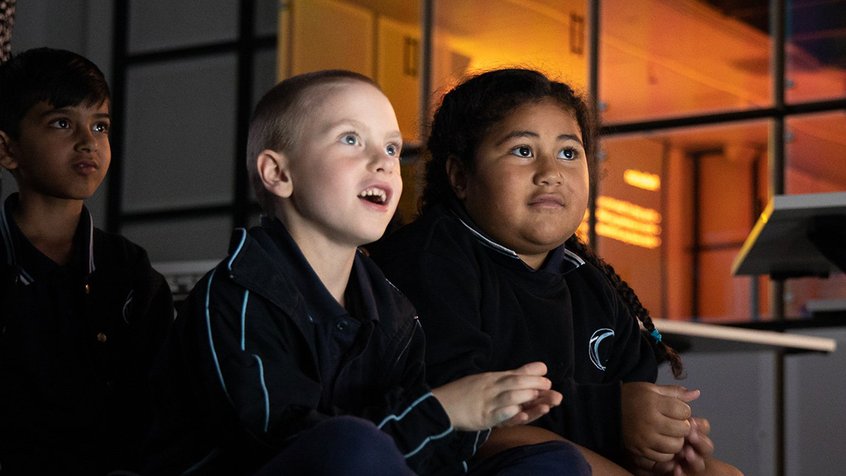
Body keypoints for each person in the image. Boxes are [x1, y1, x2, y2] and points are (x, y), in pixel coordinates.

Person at [142, 69, 587, 476]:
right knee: (350, 443)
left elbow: (417, 456)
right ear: (278, 173)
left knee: (553, 462)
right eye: (351, 140)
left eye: (392, 147)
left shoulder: (393, 312)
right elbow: (291, 445)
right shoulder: (237, 298)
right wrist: (440, 410)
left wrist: (478, 420)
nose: (383, 161)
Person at [371, 68, 741, 475]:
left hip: (576, 452)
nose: (551, 171)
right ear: (460, 176)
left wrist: (665, 438)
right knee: (546, 455)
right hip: (462, 451)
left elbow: (633, 392)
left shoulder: (592, 283)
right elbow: (465, 410)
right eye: (523, 151)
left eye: (568, 153)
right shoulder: (430, 258)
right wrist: (615, 416)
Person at [0, 47, 174, 475]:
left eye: (100, 126)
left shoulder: (129, 270)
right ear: (7, 150)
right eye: (62, 123)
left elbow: (166, 401)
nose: (88, 142)